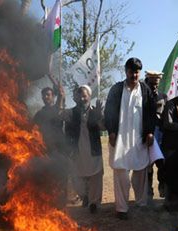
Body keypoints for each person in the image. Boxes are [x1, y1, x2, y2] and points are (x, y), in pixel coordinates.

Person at [104, 57, 156, 220]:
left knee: (140, 171)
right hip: (119, 139)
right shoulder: (117, 89)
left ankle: (141, 204)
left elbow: (150, 113)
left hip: (138, 139)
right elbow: (109, 111)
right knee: (120, 172)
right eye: (131, 71)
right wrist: (111, 131)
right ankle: (122, 208)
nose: (134, 74)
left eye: (137, 71)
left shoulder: (145, 90)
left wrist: (149, 132)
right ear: (126, 71)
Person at [63, 85, 104, 213]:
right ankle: (84, 196)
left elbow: (103, 127)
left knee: (96, 176)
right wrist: (61, 97)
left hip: (93, 149)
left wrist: (99, 116)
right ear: (76, 98)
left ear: (89, 97)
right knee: (76, 176)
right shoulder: (71, 112)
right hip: (77, 149)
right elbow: (62, 120)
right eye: (79, 96)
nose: (82, 98)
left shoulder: (94, 111)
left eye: (84, 96)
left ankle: (94, 203)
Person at [144, 70, 167, 198]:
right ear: (146, 82)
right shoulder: (142, 97)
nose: (154, 87)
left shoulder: (163, 97)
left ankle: (162, 185)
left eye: (156, 84)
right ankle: (148, 191)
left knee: (161, 163)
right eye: (151, 84)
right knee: (147, 165)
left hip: (160, 134)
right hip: (146, 133)